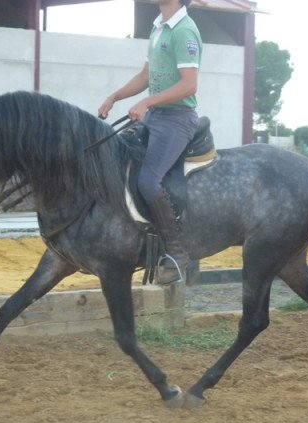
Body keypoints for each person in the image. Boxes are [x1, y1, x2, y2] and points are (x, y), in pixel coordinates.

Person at [98, 0, 202, 285]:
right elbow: (146, 76)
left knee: (147, 181)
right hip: (156, 115)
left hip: (177, 119)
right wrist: (114, 97)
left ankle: (177, 254)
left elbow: (189, 85)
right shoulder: (158, 27)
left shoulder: (183, 31)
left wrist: (146, 102)